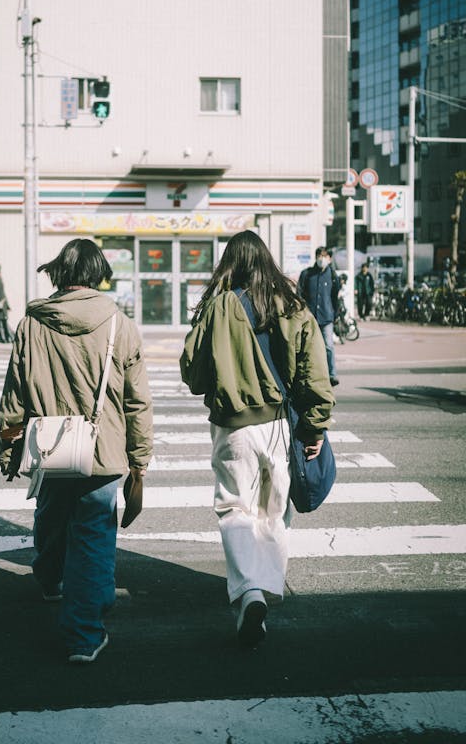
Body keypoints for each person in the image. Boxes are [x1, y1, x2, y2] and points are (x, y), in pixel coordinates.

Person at [0, 239, 153, 664]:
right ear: (99, 274)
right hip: (103, 451)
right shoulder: (120, 325)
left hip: (50, 446)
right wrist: (140, 459)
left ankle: (50, 581)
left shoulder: (32, 324)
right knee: (95, 538)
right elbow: (137, 401)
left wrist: (7, 447)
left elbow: (16, 391)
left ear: (59, 274)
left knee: (50, 517)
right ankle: (84, 635)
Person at [180, 231, 334, 649]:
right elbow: (315, 373)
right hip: (280, 425)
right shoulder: (293, 305)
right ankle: (264, 589)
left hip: (233, 425)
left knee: (235, 509)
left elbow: (192, 375)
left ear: (229, 263)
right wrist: (315, 425)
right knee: (274, 510)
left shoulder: (216, 306)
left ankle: (249, 593)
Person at [298, 246, 340, 386]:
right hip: (310, 317)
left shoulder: (333, 276)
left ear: (328, 258)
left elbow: (335, 297)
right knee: (309, 346)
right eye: (319, 256)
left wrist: (336, 314)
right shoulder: (307, 274)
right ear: (316, 258)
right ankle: (310, 374)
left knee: (328, 346)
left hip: (327, 316)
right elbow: (300, 295)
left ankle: (332, 374)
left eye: (324, 256)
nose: (322, 259)